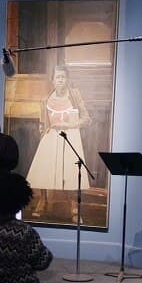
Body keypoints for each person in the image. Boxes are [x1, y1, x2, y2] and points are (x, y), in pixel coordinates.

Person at [26, 65, 91, 216]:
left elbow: (87, 119)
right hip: (51, 137)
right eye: (57, 77)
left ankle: (73, 205)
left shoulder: (74, 95)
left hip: (70, 136)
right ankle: (43, 200)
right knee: (44, 170)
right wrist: (43, 133)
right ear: (53, 80)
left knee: (71, 171)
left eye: (63, 77)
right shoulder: (46, 99)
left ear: (67, 79)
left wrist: (70, 125)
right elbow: (42, 122)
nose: (60, 80)